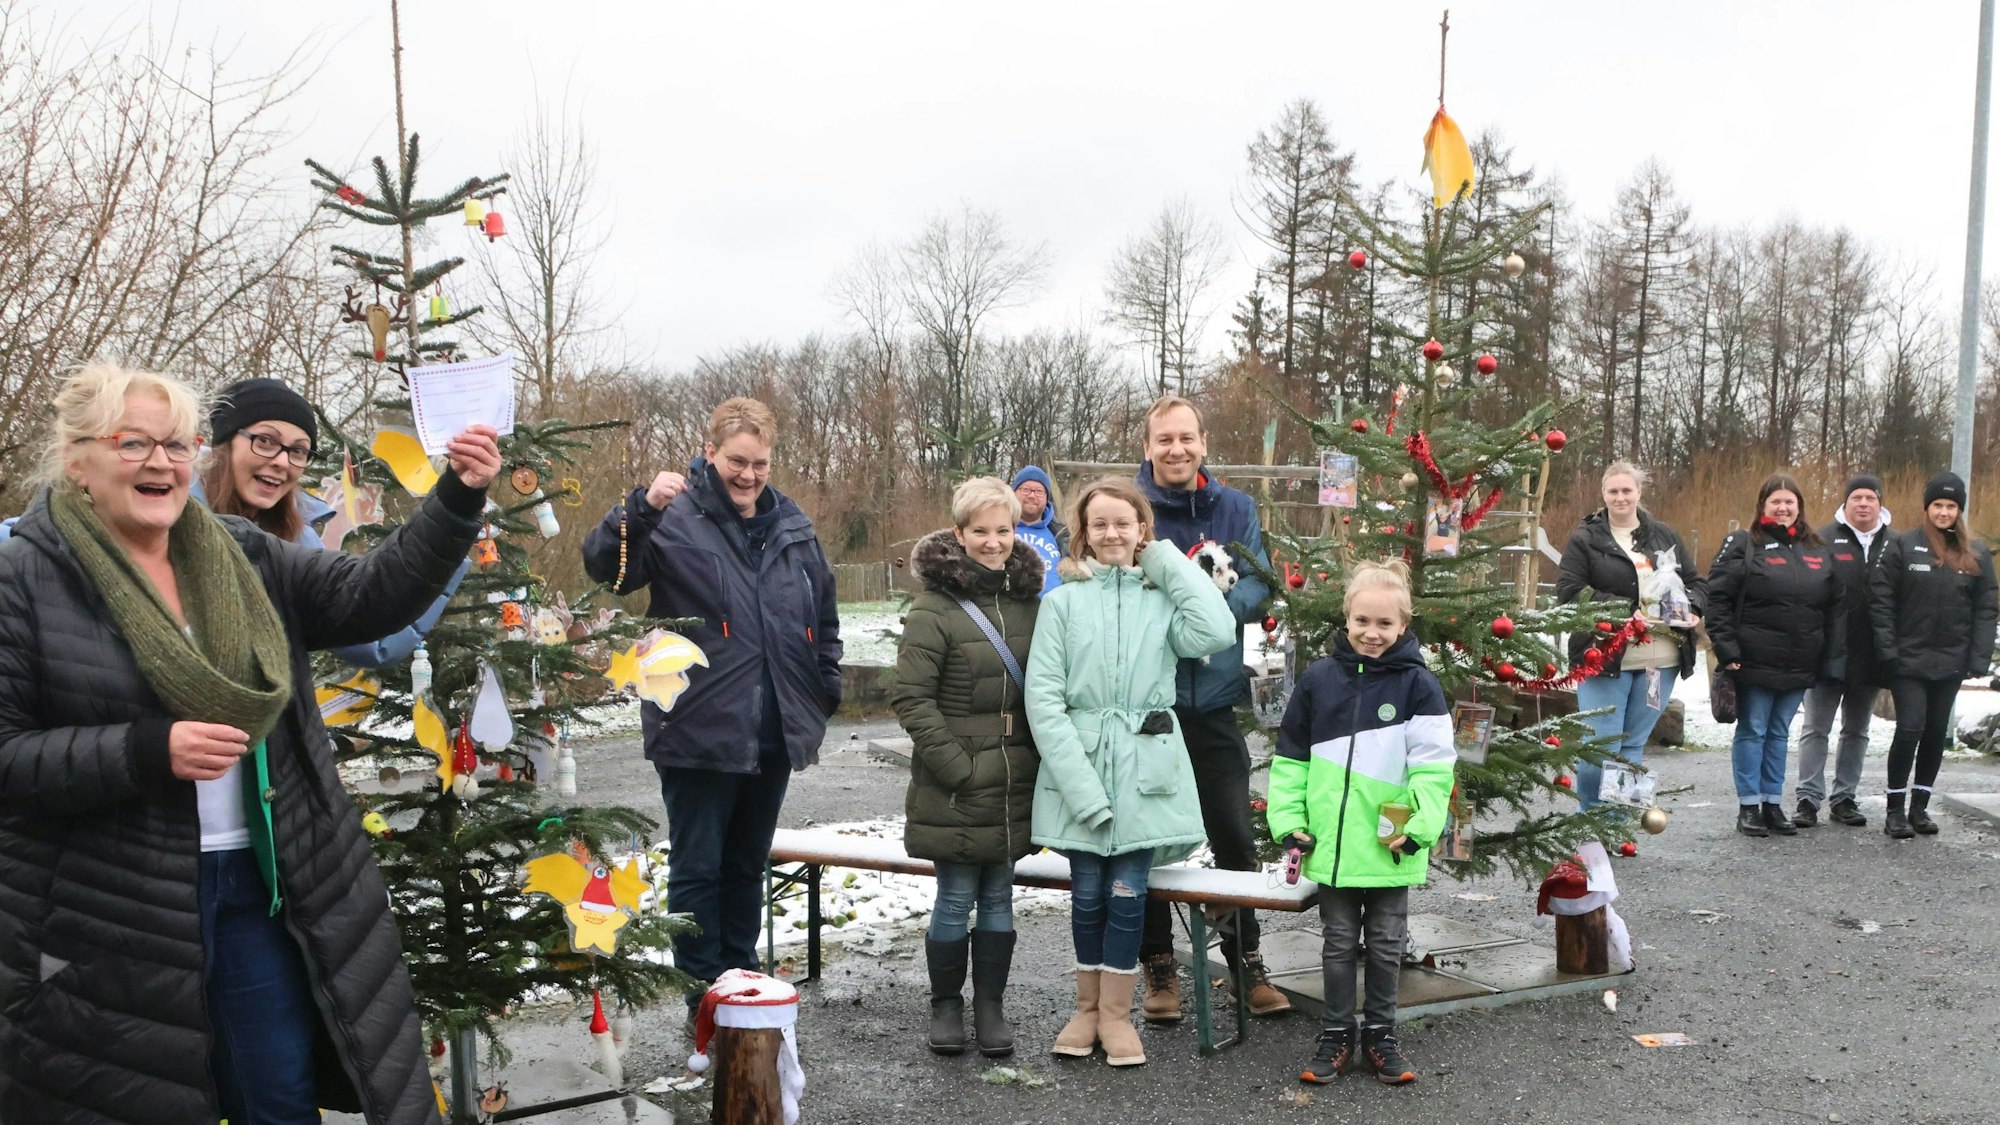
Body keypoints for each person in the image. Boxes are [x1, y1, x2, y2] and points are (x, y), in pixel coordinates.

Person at [0, 362, 497, 1125]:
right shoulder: (21, 577)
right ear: (78, 456)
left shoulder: (242, 553)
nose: (161, 462)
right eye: (135, 443)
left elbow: (372, 597)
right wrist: (145, 750)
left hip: (257, 889)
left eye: (175, 444)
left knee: (279, 1101)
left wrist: (457, 497)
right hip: (107, 912)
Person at [580, 397, 842, 1018]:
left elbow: (823, 615)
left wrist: (822, 688)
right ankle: (703, 998)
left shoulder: (792, 526)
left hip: (775, 725)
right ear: (709, 454)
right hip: (697, 723)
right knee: (699, 867)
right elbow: (608, 570)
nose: (748, 475)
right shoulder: (675, 517)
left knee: (747, 863)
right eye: (736, 462)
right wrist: (640, 510)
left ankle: (740, 982)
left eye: (759, 463)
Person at [1026, 476, 1235, 1067]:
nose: (1113, 533)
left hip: (1147, 768)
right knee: (1088, 893)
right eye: (1100, 524)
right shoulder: (1062, 604)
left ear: (1142, 529)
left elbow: (1217, 629)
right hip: (1082, 766)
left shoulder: (1162, 599)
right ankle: (1086, 1009)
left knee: (1127, 892)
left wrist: (1164, 560)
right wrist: (1081, 789)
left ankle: (1117, 1015)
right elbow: (1044, 699)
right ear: (1083, 535)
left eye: (1125, 523)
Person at [1130, 395, 1287, 1021]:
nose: (1176, 449)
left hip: (1216, 700)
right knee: (1143, 841)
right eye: (1164, 439)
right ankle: (1159, 970)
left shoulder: (1236, 509)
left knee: (1233, 835)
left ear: (1203, 442)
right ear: (1148, 447)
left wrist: (1200, 607)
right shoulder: (1131, 509)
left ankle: (1246, 960)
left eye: (1186, 437)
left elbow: (1257, 582)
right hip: (1151, 705)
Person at [1269, 559, 1454, 1087]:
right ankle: (1335, 1034)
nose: (1372, 634)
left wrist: (1417, 828)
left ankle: (1380, 1034)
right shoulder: (1318, 681)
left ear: (1404, 625)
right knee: (1337, 941)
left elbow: (1434, 769)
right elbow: (1290, 762)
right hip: (1331, 845)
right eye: (1362, 621)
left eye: (1385, 624)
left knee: (1388, 941)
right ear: (1346, 617)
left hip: (1391, 846)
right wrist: (1290, 821)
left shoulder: (1420, 686)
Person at [892, 477, 1043, 1057]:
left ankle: (991, 1006)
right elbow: (912, 698)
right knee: (955, 895)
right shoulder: (934, 608)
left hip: (1015, 776)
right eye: (980, 530)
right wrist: (957, 768)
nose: (992, 541)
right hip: (954, 780)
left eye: (1003, 529)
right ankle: (947, 1006)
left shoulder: (1028, 603)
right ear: (959, 534)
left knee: (1002, 895)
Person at [197, 377, 468, 667]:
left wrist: (445, 541)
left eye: (298, 450)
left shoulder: (298, 540)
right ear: (224, 444)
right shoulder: (162, 522)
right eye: (265, 441)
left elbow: (371, 644)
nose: (282, 461)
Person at [1554, 462, 1705, 812]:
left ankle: (1616, 827)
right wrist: (1624, 612)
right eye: (1613, 491)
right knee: (1598, 748)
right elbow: (1569, 592)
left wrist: (1693, 606)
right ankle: (1590, 818)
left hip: (1660, 661)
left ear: (1639, 492)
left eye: (1627, 490)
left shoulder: (1665, 536)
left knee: (1632, 747)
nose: (1621, 497)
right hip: (1603, 658)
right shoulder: (1586, 539)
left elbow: (1697, 583)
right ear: (1604, 495)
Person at [1705, 474, 1844, 838]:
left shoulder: (1817, 547)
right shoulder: (1744, 543)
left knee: (1779, 733)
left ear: (1799, 506)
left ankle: (1771, 803)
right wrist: (1727, 648)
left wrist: (1828, 654)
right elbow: (1716, 599)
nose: (1783, 508)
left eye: (1789, 502)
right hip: (1753, 658)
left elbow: (1834, 607)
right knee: (1753, 730)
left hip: (1800, 659)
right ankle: (1748, 806)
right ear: (1763, 506)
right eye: (1775, 502)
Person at [1869, 471, 1999, 838]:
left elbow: (1986, 608)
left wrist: (1978, 657)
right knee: (1910, 727)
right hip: (1907, 659)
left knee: (1934, 733)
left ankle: (1919, 808)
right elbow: (1881, 600)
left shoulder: (1974, 554)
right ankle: (1895, 809)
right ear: (1927, 508)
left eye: (1951, 506)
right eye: (1938, 505)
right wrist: (1887, 648)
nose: (1944, 512)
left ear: (1959, 510)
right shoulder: (1902, 545)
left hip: (1951, 661)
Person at [1793, 474, 1891, 828]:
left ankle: (1845, 797)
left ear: (1880, 504)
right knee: (1815, 727)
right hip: (1826, 650)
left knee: (1857, 730)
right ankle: (1807, 797)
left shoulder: (1893, 544)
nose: (1863, 504)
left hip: (1870, 654)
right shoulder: (1821, 539)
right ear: (1845, 504)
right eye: (1857, 498)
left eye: (1870, 498)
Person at [1011, 465, 1068, 598]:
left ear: (1047, 497)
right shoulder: (999, 528)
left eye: (1039, 491)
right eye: (1025, 489)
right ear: (1013, 493)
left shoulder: (1063, 534)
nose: (1032, 496)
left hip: (1053, 612)